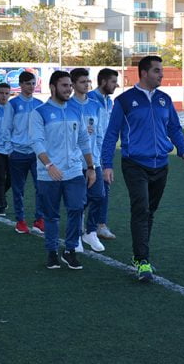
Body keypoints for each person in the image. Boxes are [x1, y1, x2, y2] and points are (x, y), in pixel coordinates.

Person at [101, 56, 184, 282]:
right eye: (157, 71)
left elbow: (174, 127)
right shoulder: (124, 101)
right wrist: (106, 164)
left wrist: (183, 149)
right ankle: (143, 260)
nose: (161, 75)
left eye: (161, 71)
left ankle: (140, 254)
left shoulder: (164, 99)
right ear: (143, 73)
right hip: (135, 164)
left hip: (161, 164)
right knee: (141, 209)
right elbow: (111, 134)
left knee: (149, 212)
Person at [31, 70, 95, 270]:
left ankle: (70, 250)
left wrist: (91, 167)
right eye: (64, 85)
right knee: (51, 216)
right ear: (53, 87)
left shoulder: (76, 111)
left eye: (70, 85)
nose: (69, 89)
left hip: (74, 171)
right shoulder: (39, 112)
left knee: (76, 208)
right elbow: (37, 142)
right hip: (48, 173)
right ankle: (51, 252)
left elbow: (84, 141)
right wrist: (49, 165)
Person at [0, 71, 45, 235]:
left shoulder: (40, 104)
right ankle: (20, 221)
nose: (31, 87)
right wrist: (9, 150)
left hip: (35, 154)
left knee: (41, 187)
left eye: (33, 83)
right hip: (17, 153)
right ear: (20, 85)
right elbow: (5, 128)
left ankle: (39, 220)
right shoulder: (13, 104)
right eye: (28, 84)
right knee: (18, 189)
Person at [69, 68, 106, 253]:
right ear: (74, 84)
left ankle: (90, 231)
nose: (86, 85)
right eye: (82, 82)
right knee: (78, 202)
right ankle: (76, 236)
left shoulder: (96, 106)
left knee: (99, 196)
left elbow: (100, 135)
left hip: (94, 162)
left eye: (87, 81)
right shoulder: (67, 106)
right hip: (74, 163)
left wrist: (99, 158)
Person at [87, 67, 119, 241]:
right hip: (89, 154)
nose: (116, 85)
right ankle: (83, 223)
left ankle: (100, 225)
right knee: (89, 190)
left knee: (104, 188)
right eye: (113, 82)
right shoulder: (90, 99)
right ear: (104, 82)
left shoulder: (109, 101)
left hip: (104, 152)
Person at [0, 83, 12, 215]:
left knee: (11, 179)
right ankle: (1, 205)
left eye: (7, 93)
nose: (4, 96)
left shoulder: (13, 109)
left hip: (11, 150)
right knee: (0, 177)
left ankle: (1, 194)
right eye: (2, 93)